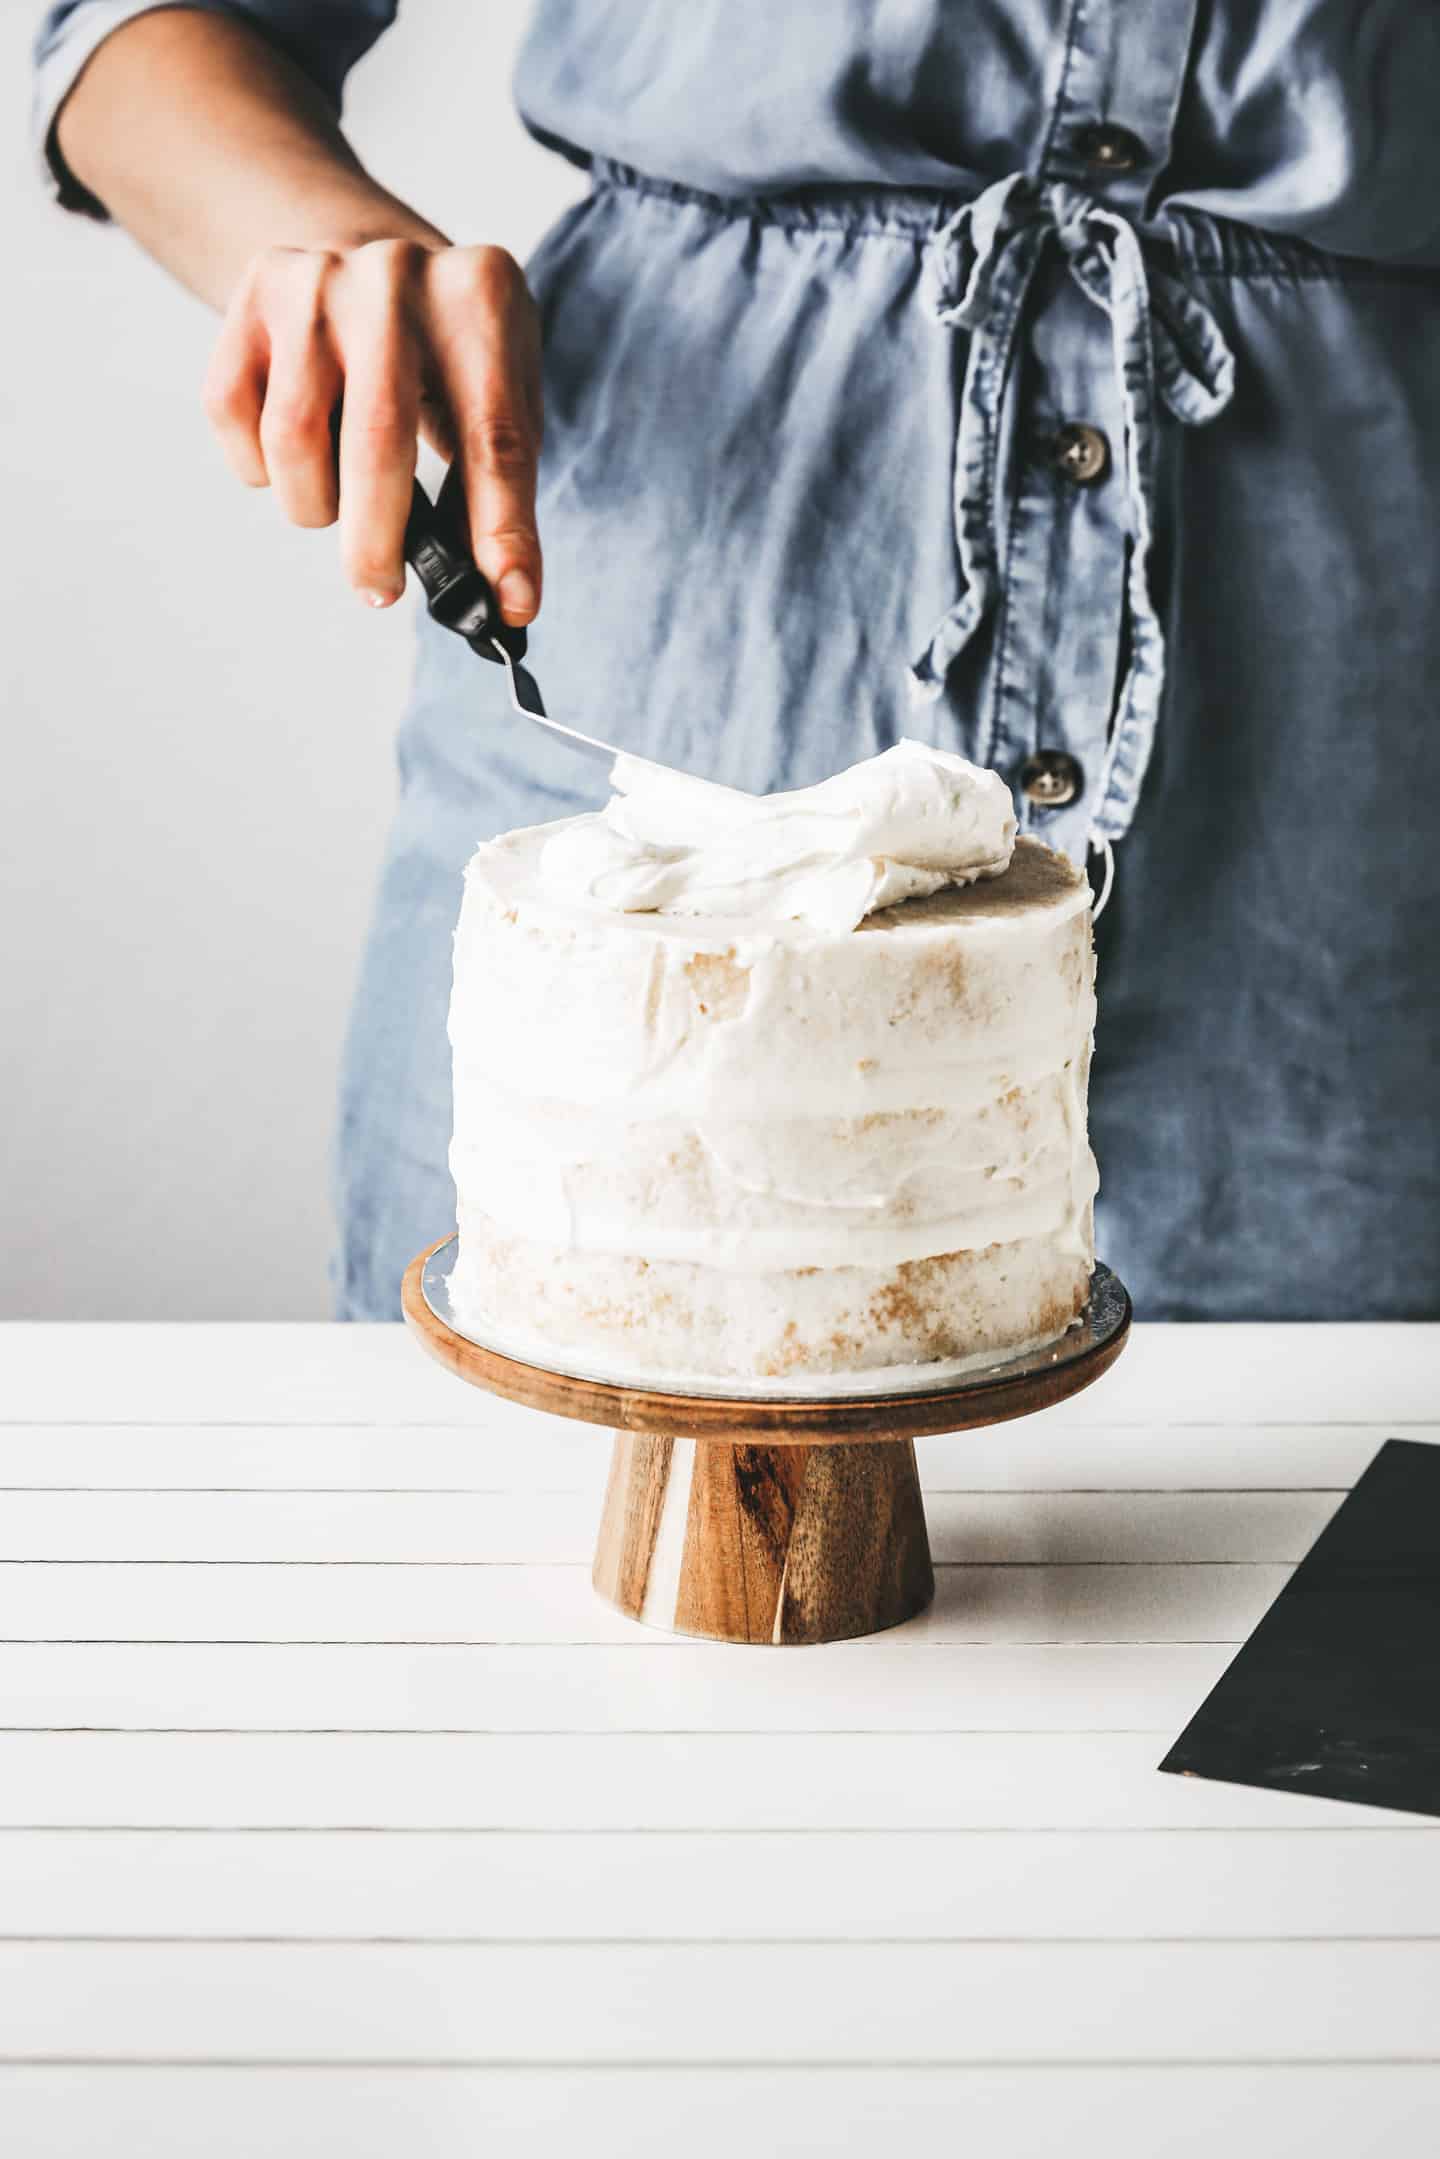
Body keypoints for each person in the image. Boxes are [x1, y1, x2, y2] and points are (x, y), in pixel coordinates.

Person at [34, 1, 1440, 1323]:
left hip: (1352, 821)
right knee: (547, 1502)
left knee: (1342, 1554)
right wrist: (323, 239)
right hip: (674, 673)